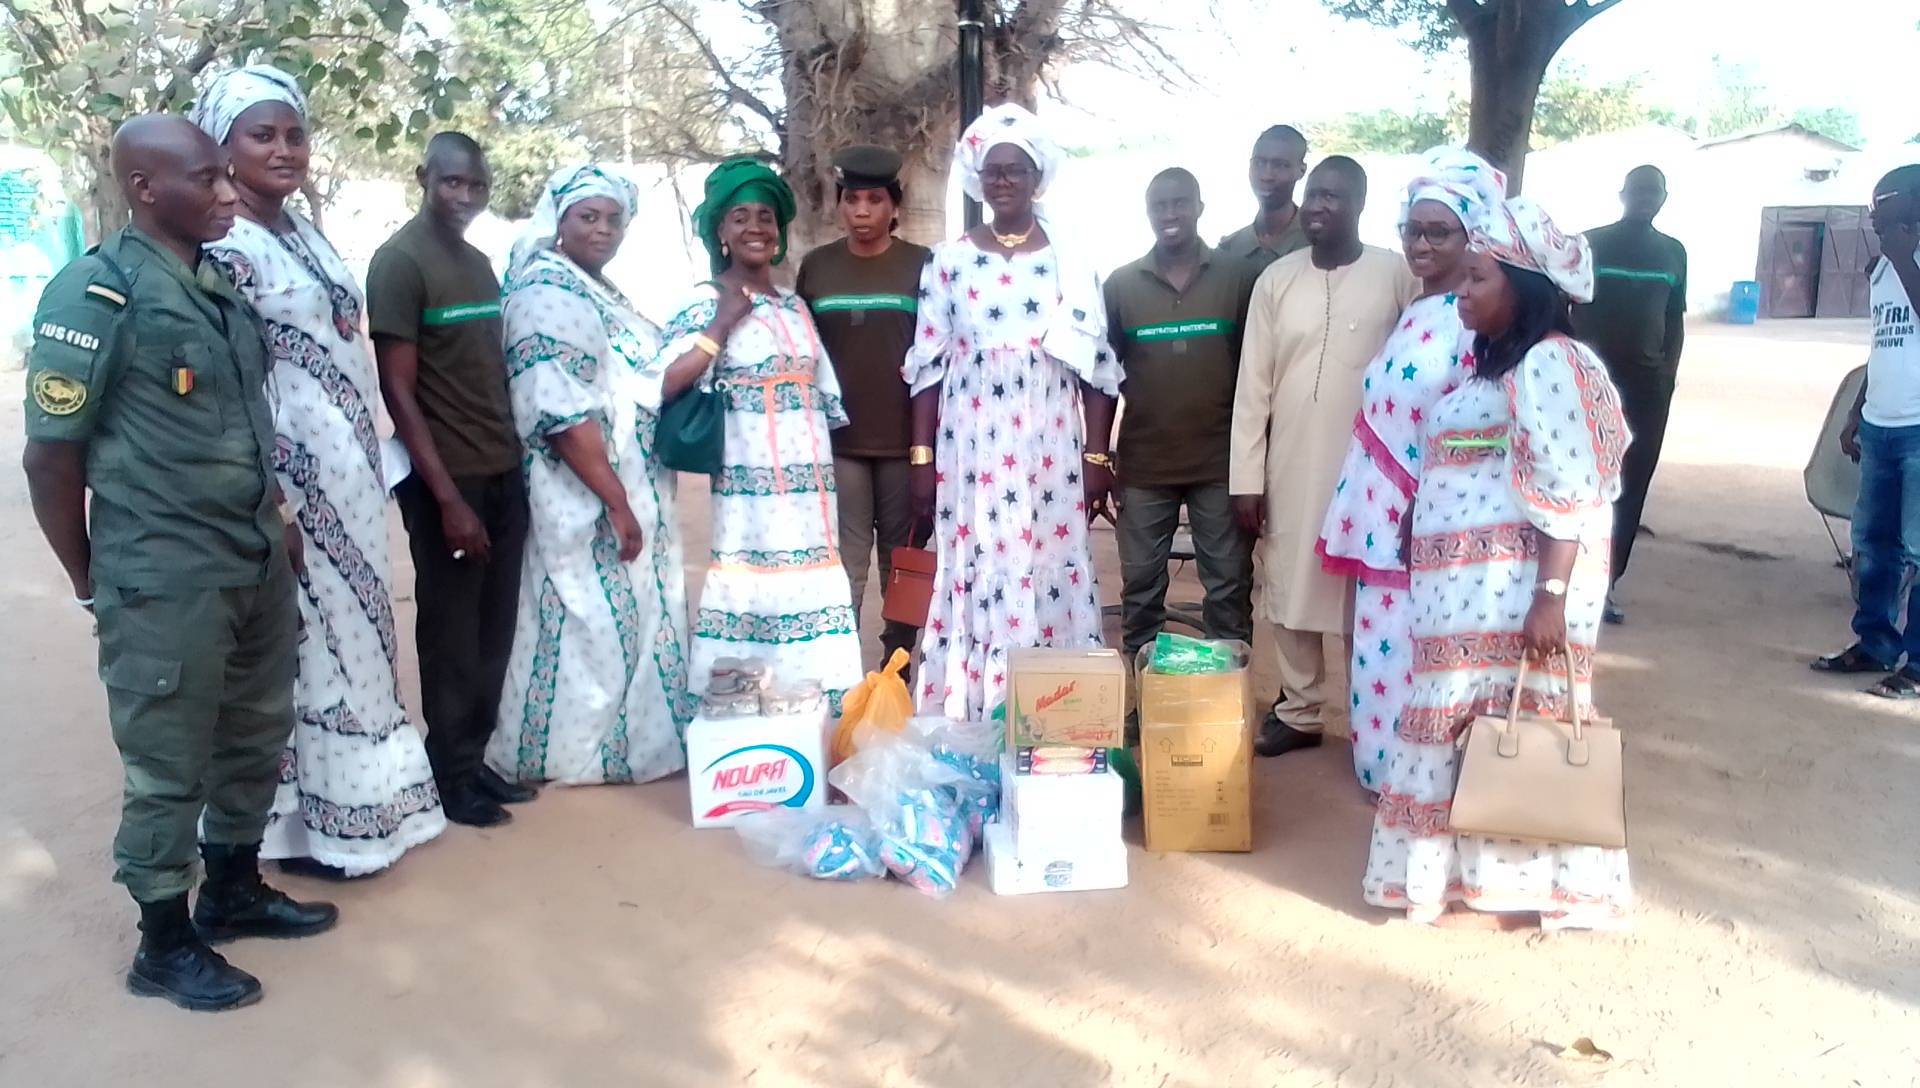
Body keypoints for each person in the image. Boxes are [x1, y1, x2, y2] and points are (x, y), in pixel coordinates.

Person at [21, 115, 337, 1012]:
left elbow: (241, 421)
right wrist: (91, 575)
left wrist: (275, 517)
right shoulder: (97, 295)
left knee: (253, 735)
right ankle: (163, 943)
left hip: (249, 560)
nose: (231, 192)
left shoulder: (216, 282)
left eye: (227, 177)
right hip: (164, 576)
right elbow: (51, 457)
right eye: (209, 179)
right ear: (147, 188)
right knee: (167, 761)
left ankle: (234, 889)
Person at [191, 65, 446, 878]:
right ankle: (302, 829)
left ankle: (350, 810)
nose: (283, 149)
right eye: (261, 134)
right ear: (222, 147)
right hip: (291, 489)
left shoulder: (302, 230)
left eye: (294, 133)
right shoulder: (226, 247)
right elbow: (233, 384)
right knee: (307, 651)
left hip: (352, 482)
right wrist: (273, 502)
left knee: (356, 642)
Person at [1361, 195, 1633, 930]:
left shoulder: (1553, 360)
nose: (1464, 291)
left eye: (1479, 277)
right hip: (1466, 595)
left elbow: (1574, 488)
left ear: (1525, 284)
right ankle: (1460, 882)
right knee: (1466, 728)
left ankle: (1549, 891)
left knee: (1526, 729)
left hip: (1512, 593)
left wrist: (1549, 594)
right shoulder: (1496, 365)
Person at [904, 102, 1121, 720]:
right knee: (974, 561)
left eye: (1017, 170)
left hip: (1048, 446)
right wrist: (922, 459)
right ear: (977, 177)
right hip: (969, 448)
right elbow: (927, 366)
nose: (1003, 180)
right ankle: (974, 709)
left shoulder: (1070, 263)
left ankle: (1056, 714)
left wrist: (1098, 454)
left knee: (1047, 562)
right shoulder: (946, 262)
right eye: (993, 170)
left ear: (1037, 177)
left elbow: (1096, 370)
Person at [487, 164, 691, 784]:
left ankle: (617, 746)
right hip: (580, 493)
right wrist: (616, 501)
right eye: (587, 216)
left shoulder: (592, 288)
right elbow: (561, 414)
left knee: (619, 621)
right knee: (583, 620)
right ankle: (566, 754)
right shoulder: (546, 293)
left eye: (613, 219)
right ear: (558, 219)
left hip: (620, 485)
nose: (602, 230)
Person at [1317, 147, 1505, 794]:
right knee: (1377, 646)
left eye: (1438, 232)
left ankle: (1418, 780)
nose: (1420, 244)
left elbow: (1475, 430)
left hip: (1427, 519)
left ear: (1471, 235)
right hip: (1378, 513)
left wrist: (1428, 508)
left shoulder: (1473, 321)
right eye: (1413, 230)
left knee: (1419, 649)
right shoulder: (1422, 309)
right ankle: (1383, 770)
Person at [652, 159, 864, 704]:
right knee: (753, 595)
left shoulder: (794, 306)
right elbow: (664, 384)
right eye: (740, 217)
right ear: (720, 232)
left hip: (810, 505)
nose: (755, 228)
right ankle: (746, 724)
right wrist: (722, 324)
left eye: (766, 217)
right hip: (749, 504)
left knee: (813, 592)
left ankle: (818, 721)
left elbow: (823, 399)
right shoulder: (701, 301)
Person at [369, 133, 534, 828]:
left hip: (502, 470)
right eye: (451, 183)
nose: (463, 197)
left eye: (475, 185)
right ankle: (449, 775)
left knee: (495, 629)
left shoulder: (479, 263)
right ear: (424, 179)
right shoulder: (400, 263)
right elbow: (398, 392)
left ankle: (473, 758)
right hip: (449, 482)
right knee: (452, 633)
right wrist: (446, 500)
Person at [1230, 156, 1418, 757]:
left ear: (1360, 205)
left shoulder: (1397, 274)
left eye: (1333, 197)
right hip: (1289, 459)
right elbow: (1252, 385)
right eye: (1314, 196)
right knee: (1288, 580)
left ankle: (1373, 713)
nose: (1317, 206)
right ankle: (1301, 708)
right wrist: (1244, 478)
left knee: (1367, 586)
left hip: (1374, 467)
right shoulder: (1276, 281)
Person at [1102, 167, 1258, 663]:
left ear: (1199, 207)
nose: (1170, 214)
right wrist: (1101, 457)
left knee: (1228, 590)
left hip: (1220, 465)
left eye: (1180, 203)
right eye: (1159, 206)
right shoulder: (1122, 285)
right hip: (1144, 465)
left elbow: (1259, 369)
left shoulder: (1238, 277)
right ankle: (1142, 701)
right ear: (1148, 213)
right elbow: (1103, 377)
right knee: (1141, 591)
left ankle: (1222, 708)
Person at [795, 144, 930, 665]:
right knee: (846, 561)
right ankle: (842, 670)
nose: (863, 212)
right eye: (853, 199)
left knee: (904, 562)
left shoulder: (922, 265)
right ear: (839, 204)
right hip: (841, 440)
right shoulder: (818, 268)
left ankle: (898, 664)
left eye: (875, 200)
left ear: (894, 206)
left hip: (904, 444)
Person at [1813, 165, 1920, 697]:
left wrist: (1903, 256)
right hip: (1881, 425)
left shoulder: (1900, 262)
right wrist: (1857, 411)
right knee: (1874, 545)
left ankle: (1917, 665)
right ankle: (1874, 642)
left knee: (1919, 549)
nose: (1874, 216)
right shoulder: (1880, 271)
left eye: (1885, 206)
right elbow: (1884, 345)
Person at [1572, 165, 1687, 625]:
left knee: (1631, 483)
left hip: (1647, 389)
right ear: (1622, 194)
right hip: (1590, 383)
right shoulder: (1589, 243)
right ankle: (1571, 578)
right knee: (1582, 480)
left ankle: (1606, 584)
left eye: (1652, 191)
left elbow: (1674, 319)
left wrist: (1667, 373)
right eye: (1637, 190)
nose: (1644, 198)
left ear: (1663, 198)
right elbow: (1564, 305)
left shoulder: (1673, 253)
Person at [1219, 125, 1310, 271]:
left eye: (1280, 165)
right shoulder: (1229, 249)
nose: (1267, 176)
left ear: (1301, 171)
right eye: (1259, 163)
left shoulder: (1316, 245)